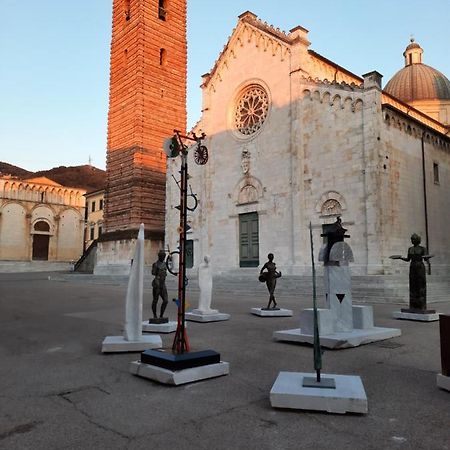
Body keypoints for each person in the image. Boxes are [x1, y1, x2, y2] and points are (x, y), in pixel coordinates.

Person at [400, 234, 433, 311]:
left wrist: (428, 259)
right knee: (413, 284)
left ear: (417, 240)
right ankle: (413, 305)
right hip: (412, 267)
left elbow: (425, 259)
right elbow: (408, 259)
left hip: (420, 267)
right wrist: (400, 258)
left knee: (421, 285)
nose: (412, 241)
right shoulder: (410, 249)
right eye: (411, 239)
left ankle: (421, 305)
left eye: (413, 239)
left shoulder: (422, 249)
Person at [151, 250, 168, 319]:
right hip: (157, 283)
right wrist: (158, 272)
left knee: (166, 300)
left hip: (163, 284)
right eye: (162, 256)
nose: (163, 257)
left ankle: (161, 315)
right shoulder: (155, 264)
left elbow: (167, 271)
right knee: (155, 300)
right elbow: (153, 273)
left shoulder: (165, 264)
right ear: (159, 256)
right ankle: (155, 315)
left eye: (164, 256)